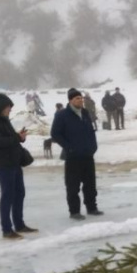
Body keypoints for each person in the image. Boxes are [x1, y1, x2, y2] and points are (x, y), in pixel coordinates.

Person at [0, 93, 37, 239]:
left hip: (14, 162)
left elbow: (11, 138)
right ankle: (7, 229)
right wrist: (17, 137)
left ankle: (19, 224)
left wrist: (20, 137)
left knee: (19, 193)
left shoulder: (4, 119)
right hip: (3, 165)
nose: (9, 110)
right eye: (7, 108)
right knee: (8, 196)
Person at [50, 88, 102, 220]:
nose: (80, 100)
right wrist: (69, 147)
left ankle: (92, 207)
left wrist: (93, 146)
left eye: (81, 98)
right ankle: (74, 211)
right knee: (73, 185)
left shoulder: (85, 113)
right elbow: (55, 134)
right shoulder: (62, 115)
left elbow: (90, 131)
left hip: (87, 154)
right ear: (70, 100)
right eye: (77, 98)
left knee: (90, 183)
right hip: (73, 156)